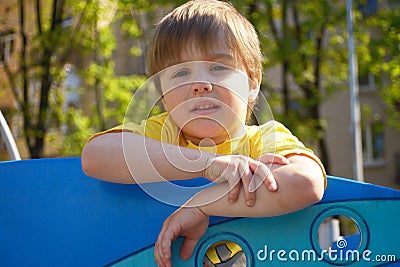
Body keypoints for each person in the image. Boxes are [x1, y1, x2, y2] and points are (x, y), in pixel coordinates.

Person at [81, 1, 326, 266]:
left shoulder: (262, 140)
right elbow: (95, 156)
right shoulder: (161, 134)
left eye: (219, 68)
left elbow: (305, 183)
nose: (200, 85)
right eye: (181, 72)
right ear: (162, 95)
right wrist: (206, 165)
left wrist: (202, 205)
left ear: (253, 84)